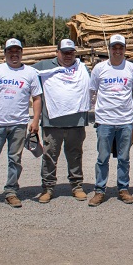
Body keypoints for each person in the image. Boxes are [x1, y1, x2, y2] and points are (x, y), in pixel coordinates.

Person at [0, 38, 42, 209]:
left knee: (15, 160)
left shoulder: (30, 73)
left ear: (22, 53)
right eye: (10, 51)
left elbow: (37, 98)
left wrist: (35, 120)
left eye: (17, 51)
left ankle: (11, 192)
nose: (14, 54)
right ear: (5, 54)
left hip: (19, 124)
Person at [32, 39, 91, 204]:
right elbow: (21, 72)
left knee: (75, 155)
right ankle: (48, 188)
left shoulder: (82, 68)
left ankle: (77, 186)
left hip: (76, 122)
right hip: (52, 123)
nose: (67, 56)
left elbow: (95, 84)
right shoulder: (43, 66)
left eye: (71, 52)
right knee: (50, 156)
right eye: (64, 52)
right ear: (57, 52)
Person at [88, 34, 133, 206]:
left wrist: (125, 107)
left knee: (124, 158)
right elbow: (92, 91)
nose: (117, 51)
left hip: (125, 120)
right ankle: (99, 190)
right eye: (114, 48)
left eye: (121, 48)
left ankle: (123, 189)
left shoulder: (131, 68)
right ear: (109, 49)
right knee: (102, 157)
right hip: (105, 121)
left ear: (125, 49)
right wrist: (99, 109)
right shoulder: (99, 68)